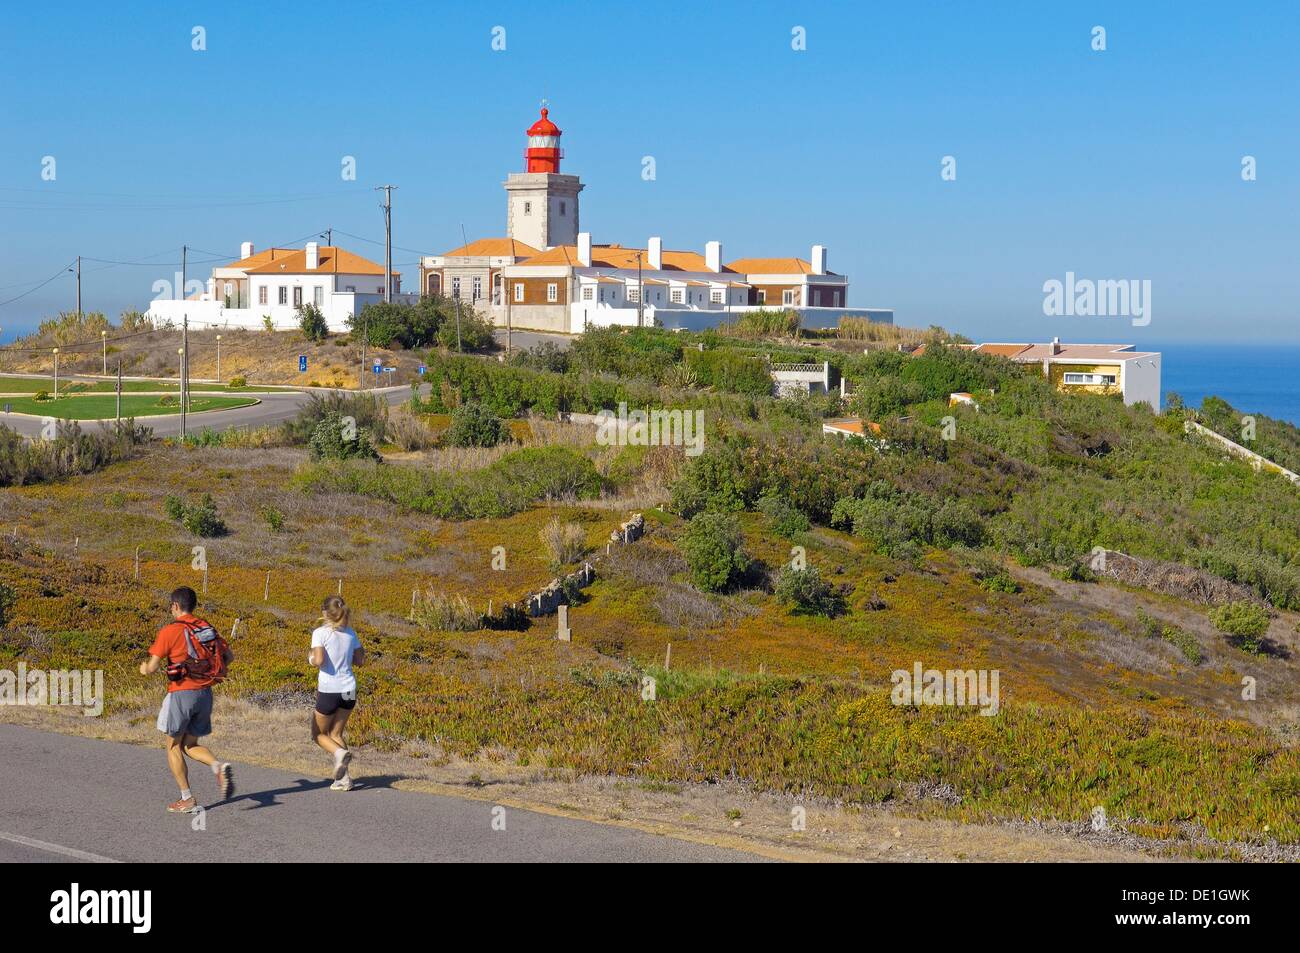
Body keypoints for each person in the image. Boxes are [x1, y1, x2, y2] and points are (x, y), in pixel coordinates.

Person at [140, 586, 235, 813]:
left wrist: (144, 669)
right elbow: (229, 656)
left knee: (172, 746)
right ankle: (217, 766)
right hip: (205, 694)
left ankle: (187, 799)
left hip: (182, 693)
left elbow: (152, 667)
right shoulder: (205, 627)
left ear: (175, 606)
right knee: (189, 744)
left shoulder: (170, 631)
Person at [309, 595, 364, 791]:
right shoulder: (351, 633)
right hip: (349, 690)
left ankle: (340, 754)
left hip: (329, 691)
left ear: (325, 612)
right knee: (336, 733)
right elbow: (360, 661)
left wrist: (310, 658)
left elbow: (319, 660)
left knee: (318, 734)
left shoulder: (320, 633)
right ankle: (344, 779)